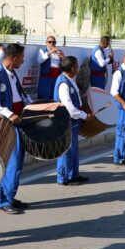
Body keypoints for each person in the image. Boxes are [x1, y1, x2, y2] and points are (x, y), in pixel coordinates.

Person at [0, 43, 32, 214]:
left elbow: (22, 97)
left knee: (17, 163)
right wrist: (9, 114)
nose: (23, 60)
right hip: (6, 124)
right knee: (11, 163)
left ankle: (10, 196)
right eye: (22, 57)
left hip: (18, 123)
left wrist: (35, 107)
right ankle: (3, 201)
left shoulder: (13, 74)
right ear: (14, 58)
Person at [53, 56, 90, 185]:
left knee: (73, 149)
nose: (78, 67)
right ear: (73, 68)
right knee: (66, 150)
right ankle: (64, 177)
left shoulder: (70, 80)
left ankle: (73, 174)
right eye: (77, 65)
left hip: (73, 121)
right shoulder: (63, 83)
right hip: (66, 121)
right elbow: (69, 108)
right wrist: (84, 115)